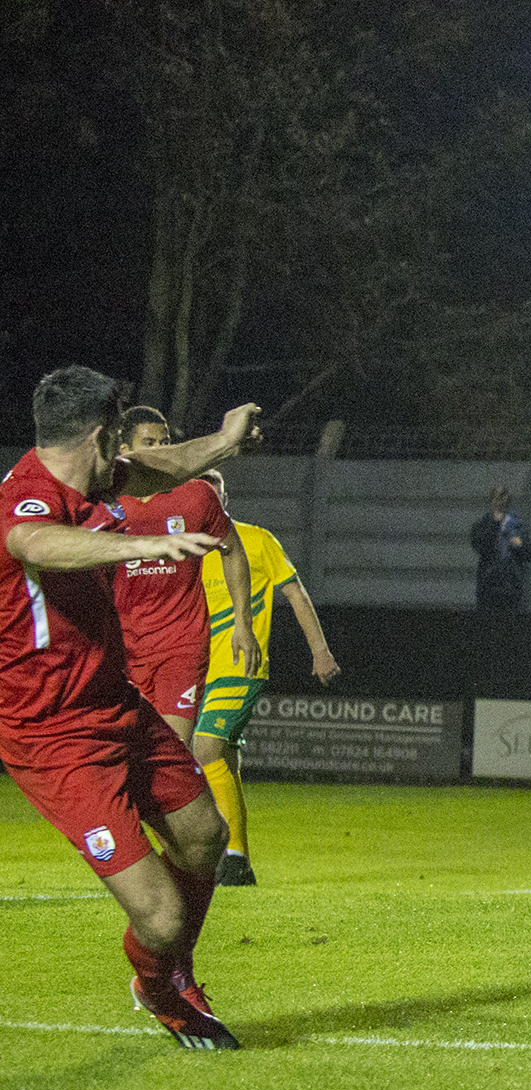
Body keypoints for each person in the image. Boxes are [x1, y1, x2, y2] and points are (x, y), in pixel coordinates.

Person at [1, 365, 261, 1049]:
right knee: (163, 917)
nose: (123, 452)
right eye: (117, 436)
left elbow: (168, 464)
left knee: (206, 836)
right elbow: (36, 544)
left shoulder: (95, 477)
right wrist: (140, 543)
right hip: (54, 738)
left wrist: (226, 440)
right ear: (99, 433)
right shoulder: (26, 498)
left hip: (117, 703)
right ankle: (158, 985)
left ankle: (174, 975)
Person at [191, 469, 343, 886]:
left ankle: (226, 854)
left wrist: (320, 650)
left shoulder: (257, 540)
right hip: (198, 670)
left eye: (214, 493)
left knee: (204, 750)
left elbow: (295, 593)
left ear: (225, 496)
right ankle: (236, 860)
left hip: (242, 666)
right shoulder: (188, 548)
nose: (209, 500)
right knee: (223, 761)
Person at [111, 407, 261, 751]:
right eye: (149, 443)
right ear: (122, 450)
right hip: (122, 647)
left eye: (165, 442)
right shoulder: (106, 502)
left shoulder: (195, 495)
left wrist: (243, 624)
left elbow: (232, 551)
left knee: (171, 754)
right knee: (123, 755)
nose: (161, 450)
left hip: (181, 646)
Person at [472, 484, 531, 611]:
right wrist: (495, 524)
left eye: (503, 497)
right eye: (496, 498)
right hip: (489, 584)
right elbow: (479, 545)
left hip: (512, 584)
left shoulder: (518, 525)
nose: (500, 502)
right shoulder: (483, 524)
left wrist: (520, 545)